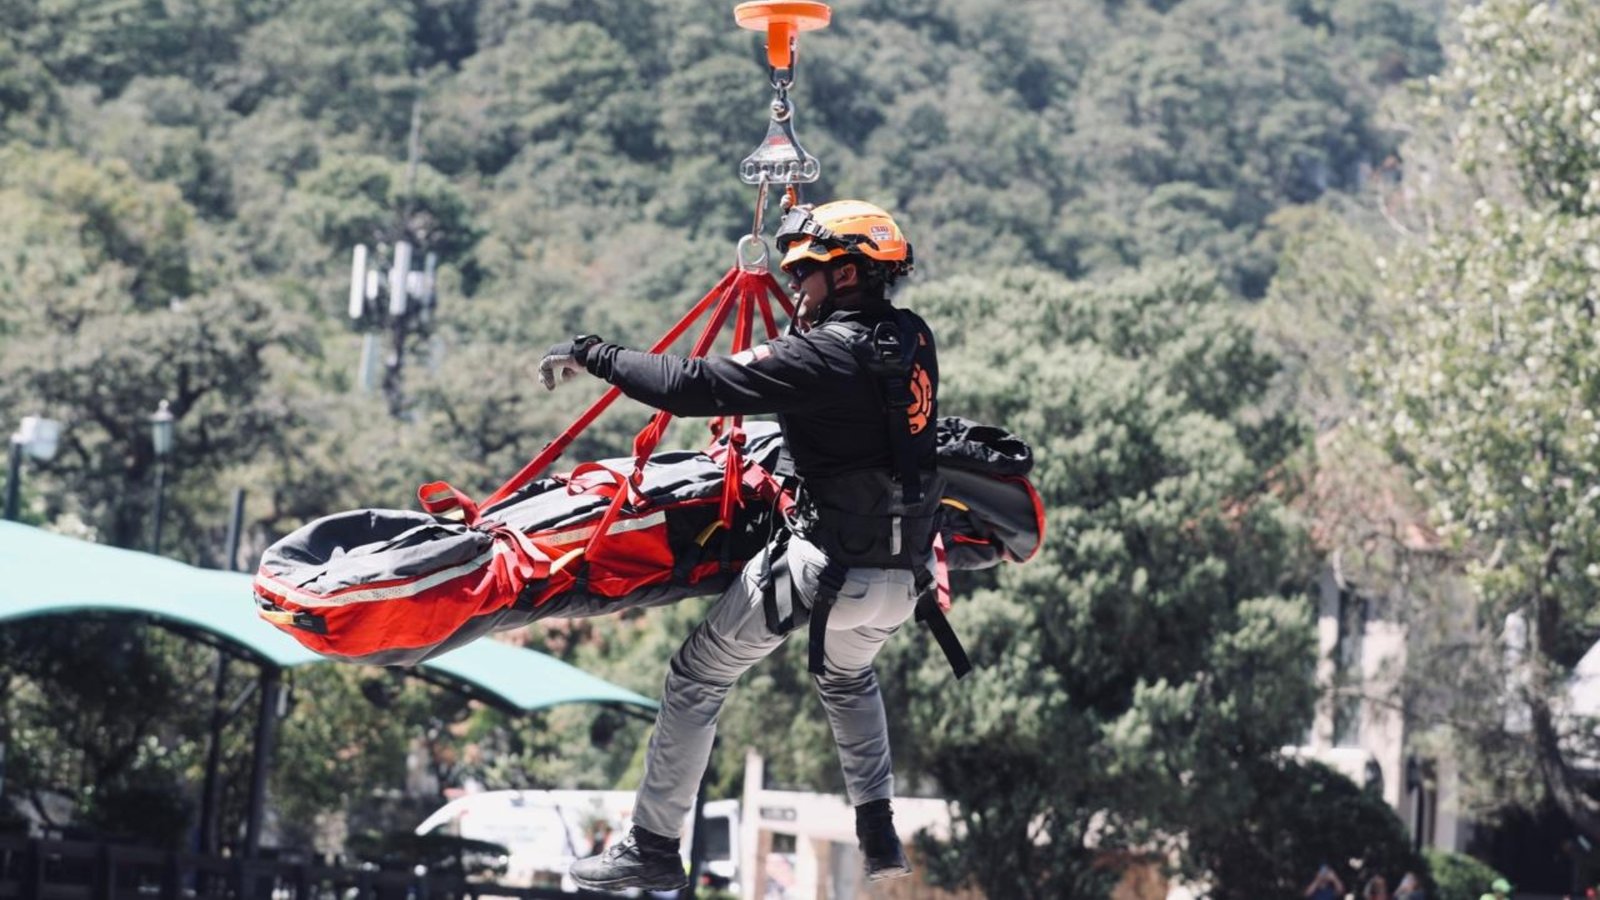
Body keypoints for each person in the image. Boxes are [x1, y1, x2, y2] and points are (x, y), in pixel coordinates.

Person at [540, 200, 939, 892]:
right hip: (903, 578)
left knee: (696, 676)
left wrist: (594, 354)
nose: (795, 290)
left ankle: (653, 843)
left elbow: (692, 387)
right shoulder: (912, 338)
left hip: (823, 571)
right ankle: (877, 832)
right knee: (848, 678)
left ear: (846, 275)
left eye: (805, 275)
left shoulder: (818, 355)